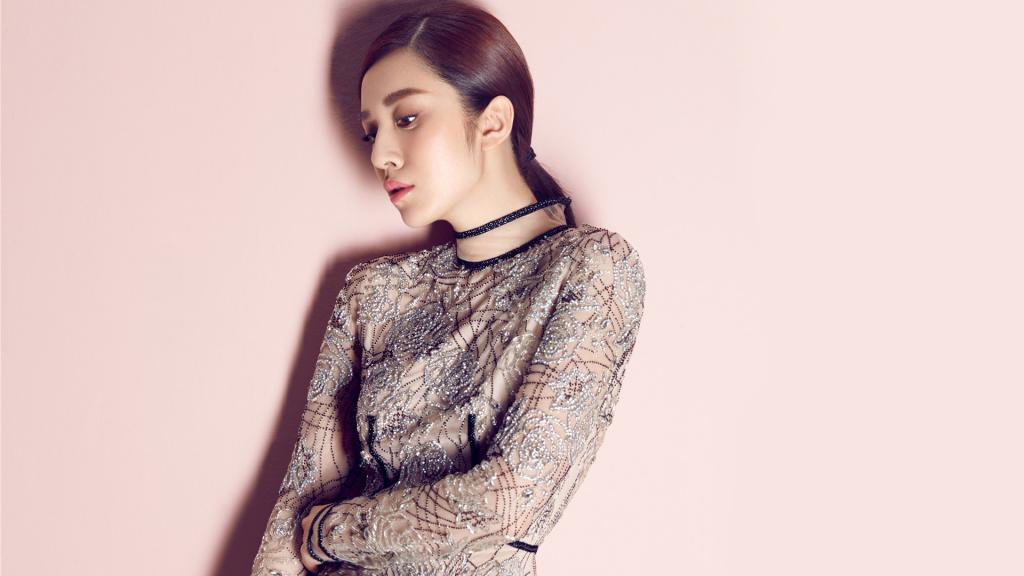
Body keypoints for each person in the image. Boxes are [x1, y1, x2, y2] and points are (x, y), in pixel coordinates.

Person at [250, 3, 646, 575]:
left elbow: (507, 500)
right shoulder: (372, 292)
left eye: (407, 118)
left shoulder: (591, 267)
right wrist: (309, 536)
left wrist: (330, 532)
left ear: (493, 121)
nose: (381, 155)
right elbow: (297, 503)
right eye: (371, 132)